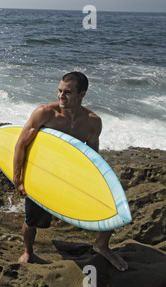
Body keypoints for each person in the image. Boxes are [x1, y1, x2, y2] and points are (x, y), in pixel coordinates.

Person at [12, 72, 128, 271]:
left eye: (67, 92)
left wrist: (95, 184)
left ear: (81, 94)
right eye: (59, 90)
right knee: (32, 220)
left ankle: (101, 245)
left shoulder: (92, 122)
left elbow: (92, 156)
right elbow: (20, 145)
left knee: (111, 205)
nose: (60, 96)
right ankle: (28, 252)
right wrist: (18, 179)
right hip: (43, 172)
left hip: (71, 173)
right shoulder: (45, 113)